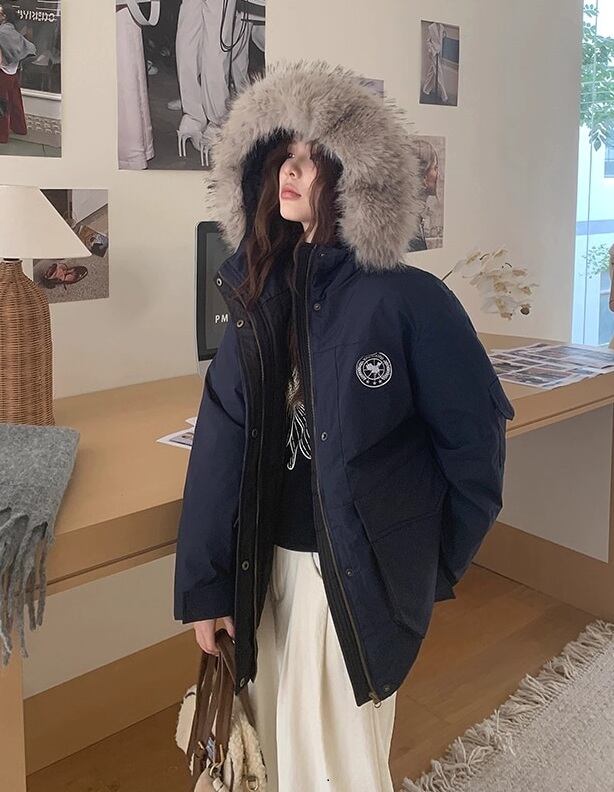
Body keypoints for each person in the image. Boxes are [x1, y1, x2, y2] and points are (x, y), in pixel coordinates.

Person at [173, 59, 515, 791]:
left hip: (353, 576)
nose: (290, 173)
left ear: (356, 178)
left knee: (338, 769)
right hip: (264, 570)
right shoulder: (255, 295)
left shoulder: (409, 300)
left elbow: (475, 446)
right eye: (282, 157)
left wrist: (419, 566)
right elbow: (221, 441)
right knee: (273, 755)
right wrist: (207, 587)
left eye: (311, 158)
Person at [0, 1, 36, 144]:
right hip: (13, 72)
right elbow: (29, 47)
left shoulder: (1, 32)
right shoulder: (12, 31)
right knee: (15, 101)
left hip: (3, 73)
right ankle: (20, 128)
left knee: (2, 104)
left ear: (4, 16)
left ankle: (2, 135)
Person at [408, 138, 440, 252]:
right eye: (435, 168)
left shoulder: (414, 217)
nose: (438, 174)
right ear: (423, 176)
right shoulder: (410, 227)